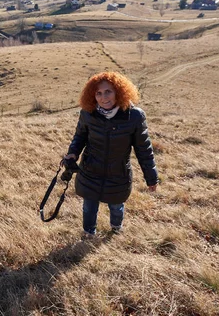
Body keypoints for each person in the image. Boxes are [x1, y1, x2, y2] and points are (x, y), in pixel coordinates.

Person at [63, 71, 158, 238]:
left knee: (116, 206)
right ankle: (88, 234)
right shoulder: (88, 113)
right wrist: (72, 154)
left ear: (119, 92)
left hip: (118, 173)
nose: (103, 97)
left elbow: (144, 149)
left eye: (108, 91)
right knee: (89, 206)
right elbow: (79, 137)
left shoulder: (134, 116)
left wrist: (151, 177)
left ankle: (116, 229)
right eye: (98, 93)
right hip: (90, 170)